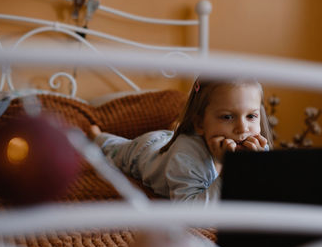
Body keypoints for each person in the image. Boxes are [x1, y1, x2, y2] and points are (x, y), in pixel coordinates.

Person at [89, 77, 273, 205]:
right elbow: (190, 213)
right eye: (227, 117)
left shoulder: (255, 147)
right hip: (145, 151)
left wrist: (256, 164)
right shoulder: (186, 155)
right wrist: (230, 172)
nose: (242, 128)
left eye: (251, 116)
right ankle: (97, 135)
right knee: (115, 149)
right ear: (200, 123)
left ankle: (174, 129)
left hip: (170, 143)